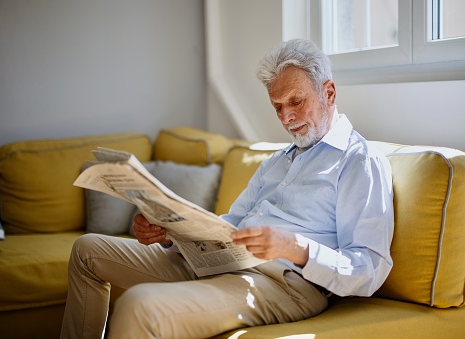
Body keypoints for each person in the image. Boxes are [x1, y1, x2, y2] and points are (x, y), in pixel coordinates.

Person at [60, 39, 394, 339]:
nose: (287, 117)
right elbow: (230, 226)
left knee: (140, 305)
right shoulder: (276, 161)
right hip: (220, 262)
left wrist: (295, 246)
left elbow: (368, 268)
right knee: (87, 250)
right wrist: (171, 234)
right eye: (278, 106)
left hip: (282, 283)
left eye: (296, 101)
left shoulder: (359, 161)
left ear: (329, 93)